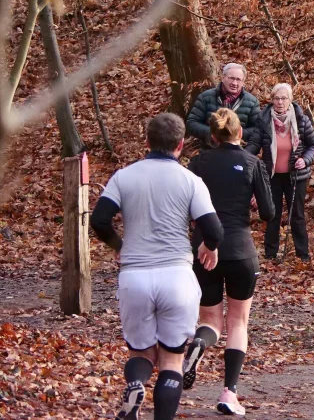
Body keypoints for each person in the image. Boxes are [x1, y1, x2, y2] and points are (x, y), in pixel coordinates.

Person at [89, 113, 224, 420]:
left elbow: (99, 220)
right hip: (176, 276)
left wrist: (119, 247)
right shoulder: (191, 181)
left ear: (146, 142)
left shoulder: (124, 176)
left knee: (140, 353)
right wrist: (209, 247)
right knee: (172, 360)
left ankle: (136, 384)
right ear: (180, 145)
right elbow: (214, 230)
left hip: (135, 276)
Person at [181, 109, 275, 416]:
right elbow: (268, 212)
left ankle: (199, 344)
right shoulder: (252, 163)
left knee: (210, 321)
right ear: (240, 134)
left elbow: (187, 207)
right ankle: (229, 392)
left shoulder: (198, 163)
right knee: (238, 321)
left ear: (212, 136)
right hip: (239, 250)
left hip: (204, 249)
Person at [259, 83, 314, 262]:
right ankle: (270, 253)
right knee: (272, 213)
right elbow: (255, 142)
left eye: (284, 98)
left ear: (290, 100)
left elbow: (313, 145)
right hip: (273, 175)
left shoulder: (301, 119)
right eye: (276, 98)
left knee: (297, 214)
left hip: (296, 176)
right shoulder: (263, 119)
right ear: (271, 100)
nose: (280, 102)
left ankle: (303, 254)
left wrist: (305, 160)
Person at [186, 63, 262, 154]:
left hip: (238, 154)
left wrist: (237, 134)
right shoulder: (206, 97)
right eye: (231, 78)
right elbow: (191, 123)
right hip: (210, 152)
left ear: (243, 81)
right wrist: (214, 133)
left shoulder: (252, 102)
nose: (234, 83)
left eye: (238, 79)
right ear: (223, 77)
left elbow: (257, 129)